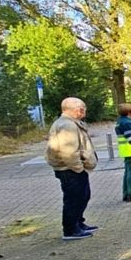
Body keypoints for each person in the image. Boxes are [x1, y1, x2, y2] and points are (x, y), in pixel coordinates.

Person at [45, 97, 99, 240]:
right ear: (78, 110)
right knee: (74, 199)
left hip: (72, 168)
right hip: (69, 170)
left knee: (83, 196)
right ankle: (70, 230)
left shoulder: (69, 123)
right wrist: (79, 169)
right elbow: (69, 152)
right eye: (83, 108)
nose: (84, 110)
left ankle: (78, 223)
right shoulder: (66, 125)